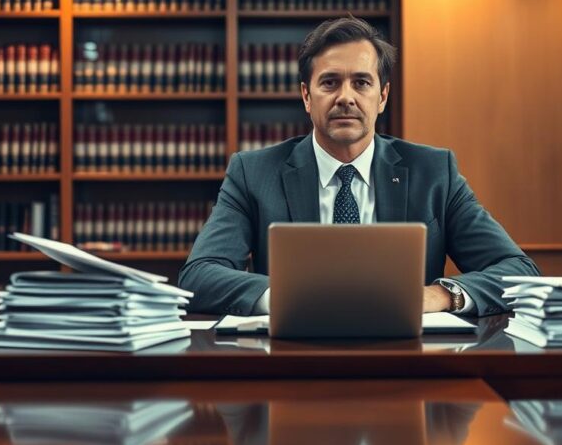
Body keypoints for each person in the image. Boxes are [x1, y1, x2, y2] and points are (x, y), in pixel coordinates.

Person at [180, 16, 539, 316]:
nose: (345, 97)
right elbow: (199, 275)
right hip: (292, 361)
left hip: (409, 363)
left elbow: (518, 270)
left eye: (361, 82)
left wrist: (440, 295)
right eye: (330, 82)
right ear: (307, 96)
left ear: (382, 96)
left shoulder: (434, 172)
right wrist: (291, 299)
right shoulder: (253, 173)